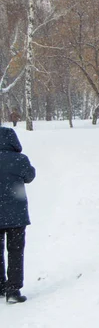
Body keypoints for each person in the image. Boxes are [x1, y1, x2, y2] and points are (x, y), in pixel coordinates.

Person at [0, 127, 36, 304]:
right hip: (16, 214)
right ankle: (13, 289)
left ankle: (0, 285)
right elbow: (29, 176)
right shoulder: (20, 160)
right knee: (15, 251)